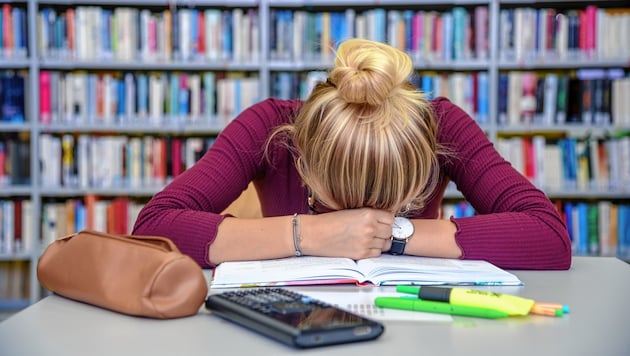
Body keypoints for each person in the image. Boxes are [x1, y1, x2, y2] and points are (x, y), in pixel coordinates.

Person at [132, 38, 571, 271]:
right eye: (343, 200)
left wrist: (396, 236)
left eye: (391, 204)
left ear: (425, 162)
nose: (365, 217)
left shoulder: (440, 126)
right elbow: (155, 224)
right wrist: (310, 233)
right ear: (303, 163)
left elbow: (549, 236)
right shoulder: (271, 128)